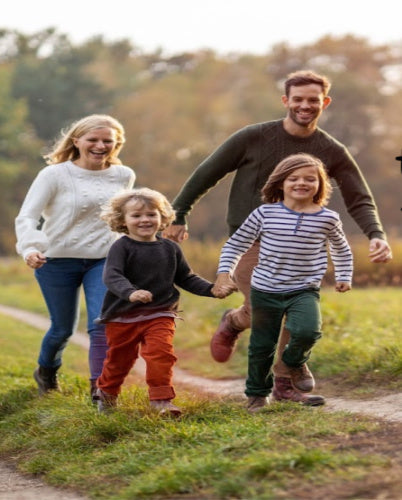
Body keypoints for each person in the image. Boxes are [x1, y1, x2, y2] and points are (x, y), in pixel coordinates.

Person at [163, 69, 392, 406]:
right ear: (286, 101)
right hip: (252, 237)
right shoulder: (252, 137)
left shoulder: (331, 149)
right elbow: (206, 173)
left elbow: (359, 196)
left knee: (291, 312)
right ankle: (234, 322)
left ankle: (283, 383)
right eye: (297, 99)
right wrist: (179, 213)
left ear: (324, 103)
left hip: (300, 247)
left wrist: (376, 234)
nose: (305, 106)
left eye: (313, 100)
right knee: (263, 309)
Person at [214, 153, 353, 412]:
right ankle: (256, 395)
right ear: (280, 183)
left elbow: (341, 249)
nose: (301, 183)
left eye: (310, 179)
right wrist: (224, 274)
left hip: (304, 289)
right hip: (265, 289)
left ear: (320, 185)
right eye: (293, 178)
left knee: (308, 331)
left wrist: (344, 276)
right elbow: (235, 245)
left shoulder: (327, 218)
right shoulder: (264, 213)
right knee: (262, 345)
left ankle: (293, 362)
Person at [15, 114, 136, 402]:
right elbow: (28, 216)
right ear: (77, 141)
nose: (100, 145)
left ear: (117, 143)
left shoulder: (123, 175)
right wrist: (30, 248)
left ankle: (101, 390)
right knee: (62, 330)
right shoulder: (54, 174)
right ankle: (47, 371)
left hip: (104, 259)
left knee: (100, 322)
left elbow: (122, 218)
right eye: (93, 139)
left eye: (108, 140)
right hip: (56, 260)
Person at [95, 188, 232, 415]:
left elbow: (186, 278)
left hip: (159, 313)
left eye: (151, 214)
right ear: (122, 220)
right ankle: (107, 393)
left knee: (161, 353)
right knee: (119, 361)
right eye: (136, 216)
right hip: (123, 316)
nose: (145, 220)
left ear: (162, 218)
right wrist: (131, 293)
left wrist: (212, 289)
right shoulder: (121, 247)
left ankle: (161, 400)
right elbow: (112, 276)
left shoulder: (170, 248)